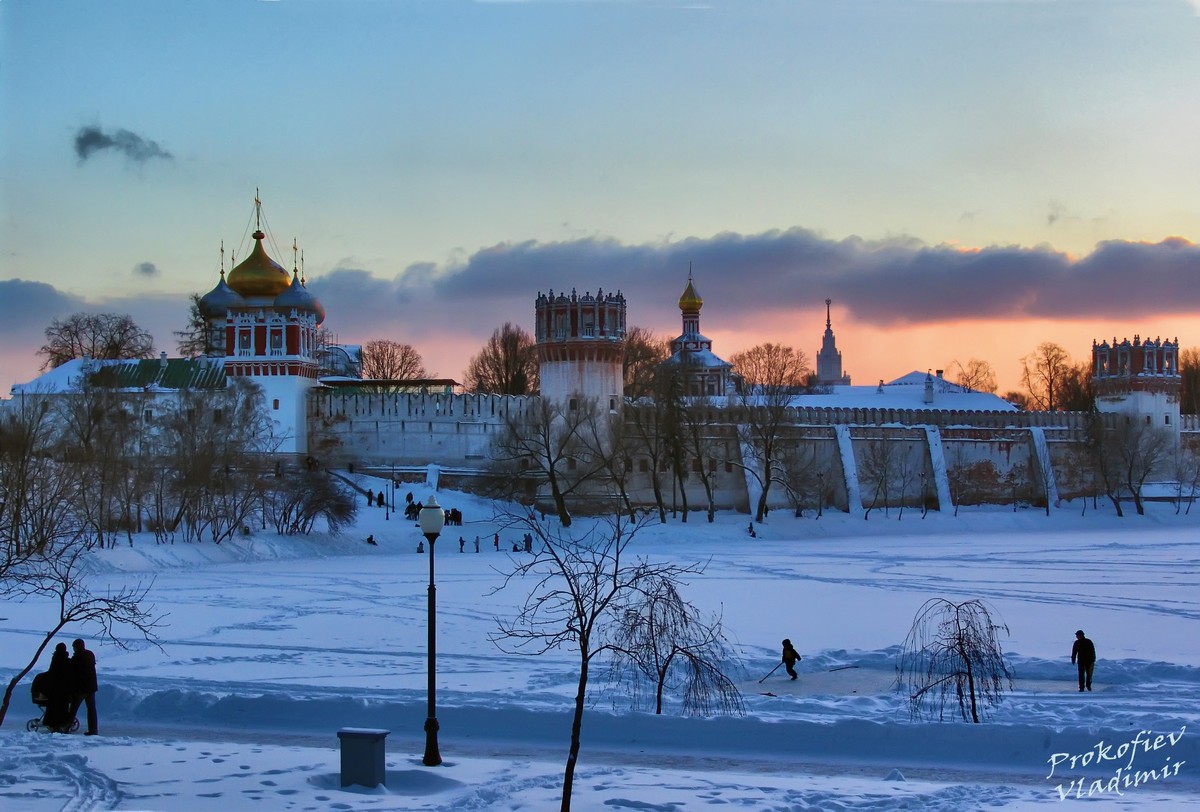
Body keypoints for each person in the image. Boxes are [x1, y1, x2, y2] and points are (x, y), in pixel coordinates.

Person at [68, 638, 98, 735]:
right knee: (91, 709)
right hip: (91, 687)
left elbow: (72, 671)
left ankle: (66, 727)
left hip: (81, 688)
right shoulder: (90, 654)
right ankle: (93, 730)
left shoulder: (77, 657)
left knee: (73, 710)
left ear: (75, 647)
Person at [44, 642, 74, 732]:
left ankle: (52, 724)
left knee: (53, 707)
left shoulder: (55, 659)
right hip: (64, 689)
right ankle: (61, 724)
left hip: (54, 689)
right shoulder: (66, 660)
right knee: (62, 707)